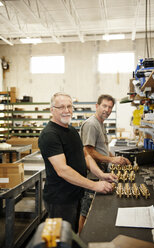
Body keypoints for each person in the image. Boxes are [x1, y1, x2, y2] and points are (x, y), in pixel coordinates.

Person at [38, 92, 118, 234]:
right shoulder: (49, 135)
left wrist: (101, 175)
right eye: (61, 107)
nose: (67, 110)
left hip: (75, 194)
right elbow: (62, 170)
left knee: (73, 235)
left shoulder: (71, 130)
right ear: (52, 110)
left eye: (69, 106)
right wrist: (95, 185)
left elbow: (85, 155)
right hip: (60, 200)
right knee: (59, 239)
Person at [79, 94, 130, 232]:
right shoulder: (91, 124)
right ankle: (81, 239)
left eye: (110, 107)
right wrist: (111, 160)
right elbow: (88, 151)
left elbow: (102, 149)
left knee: (95, 211)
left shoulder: (100, 124)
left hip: (101, 173)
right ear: (97, 106)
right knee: (86, 211)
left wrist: (116, 158)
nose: (107, 110)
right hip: (92, 175)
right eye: (104, 106)